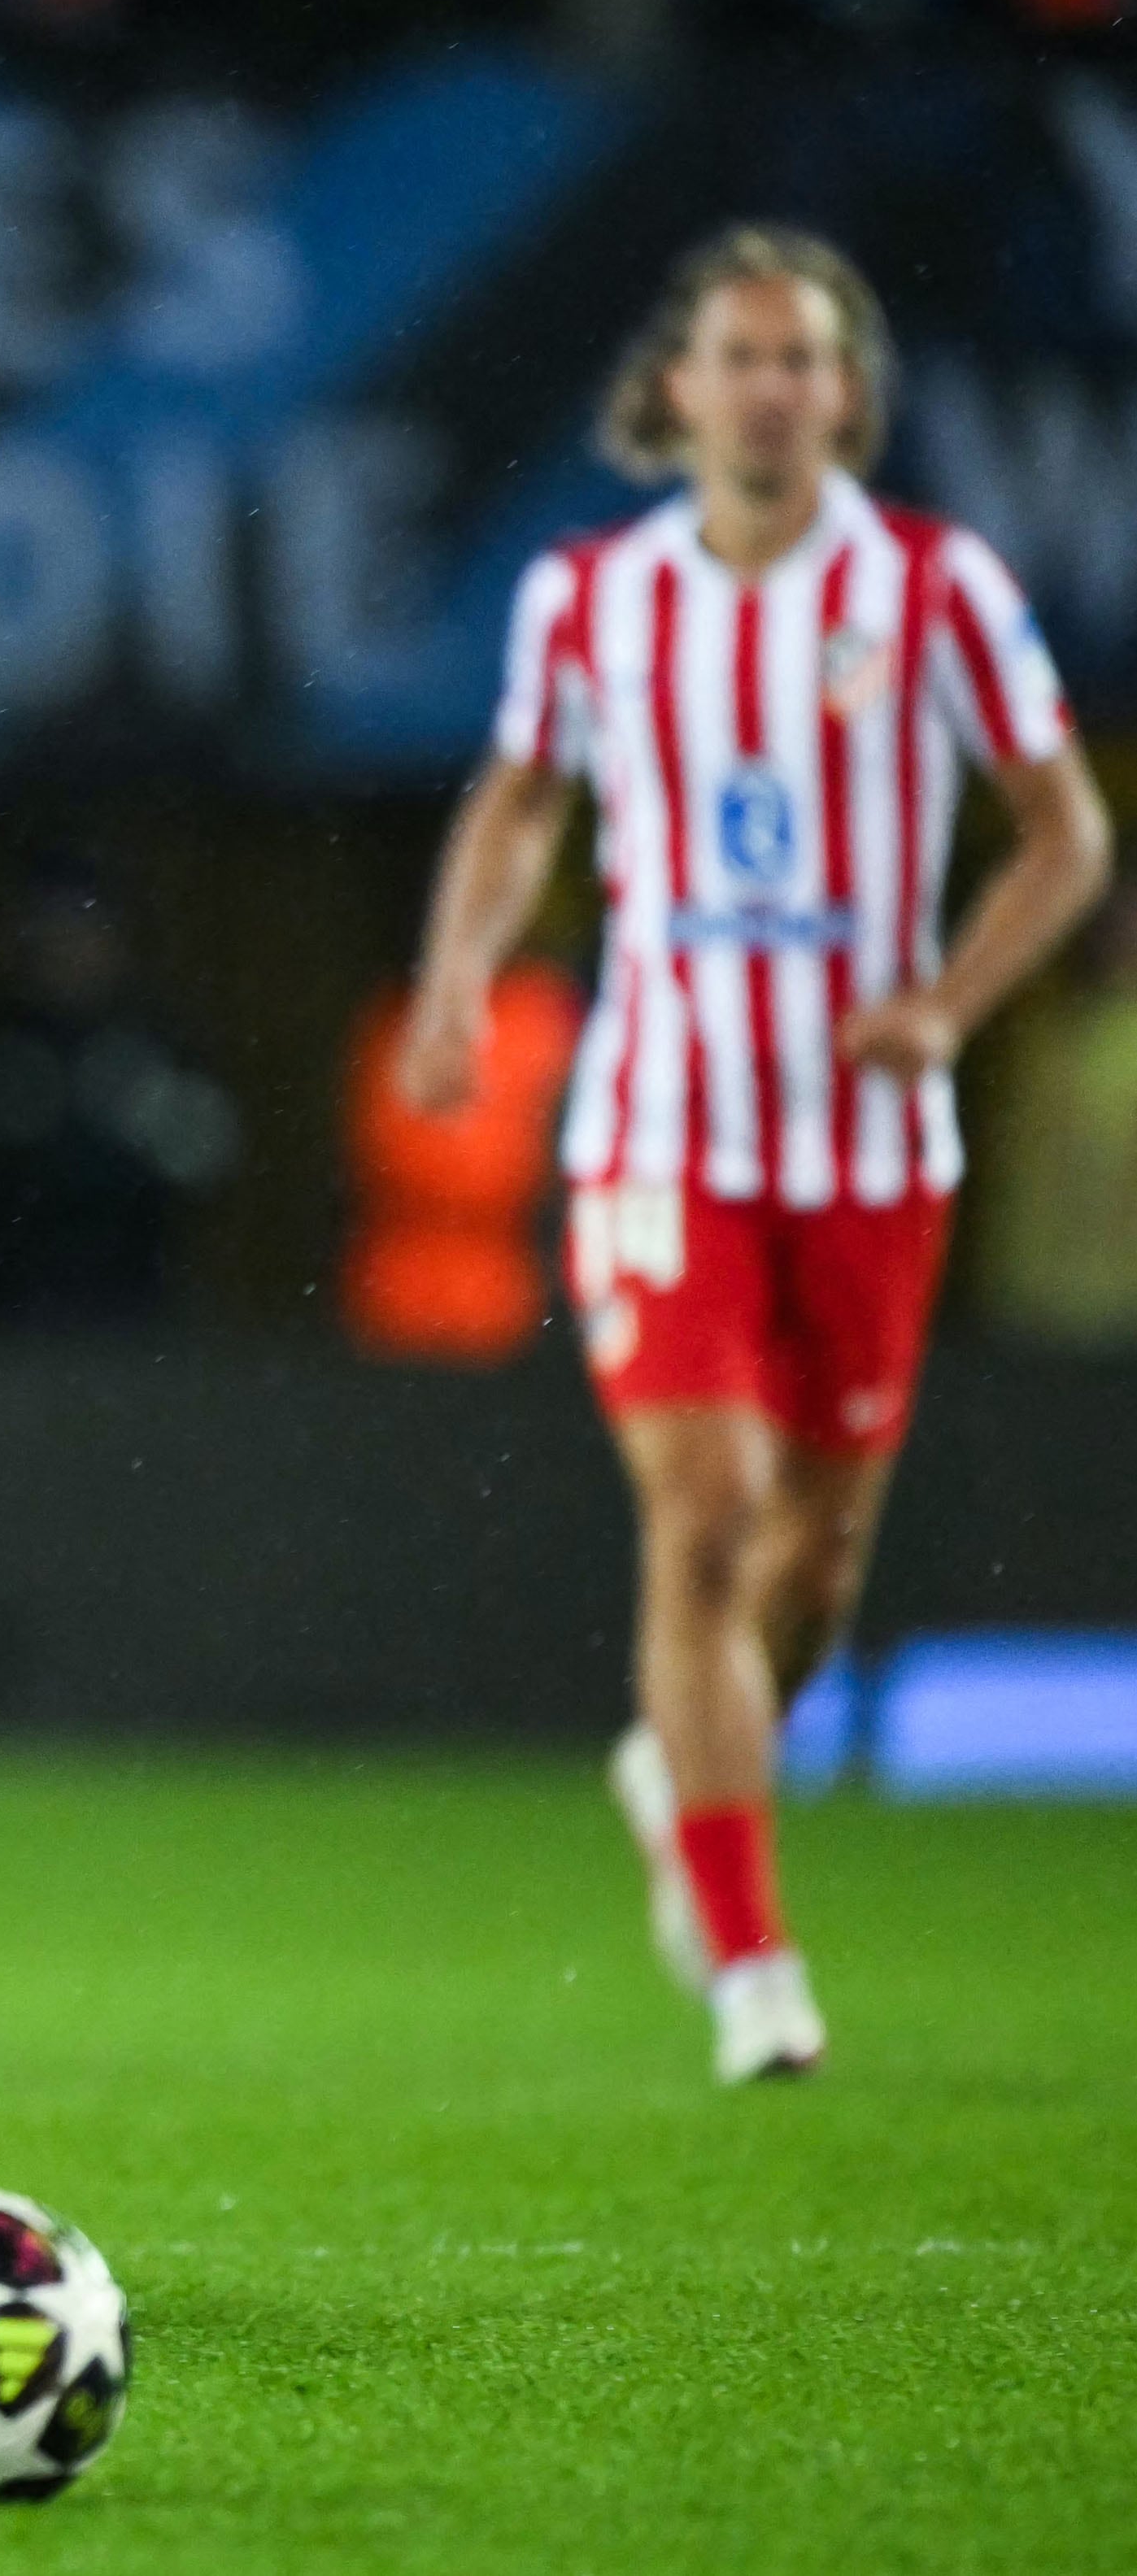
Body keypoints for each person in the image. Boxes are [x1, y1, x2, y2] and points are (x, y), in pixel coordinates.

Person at [402, 224, 1113, 2086]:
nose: (775, 389)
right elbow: (521, 795)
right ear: (680, 388)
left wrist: (946, 1003)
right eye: (743, 355)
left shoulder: (936, 588)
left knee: (816, 1565)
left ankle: (683, 1762)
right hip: (661, 1127)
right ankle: (750, 1958)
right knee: (705, 1515)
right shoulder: (591, 596)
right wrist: (459, 978)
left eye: (806, 358)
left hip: (871, 1145)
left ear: (848, 394)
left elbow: (1067, 835)